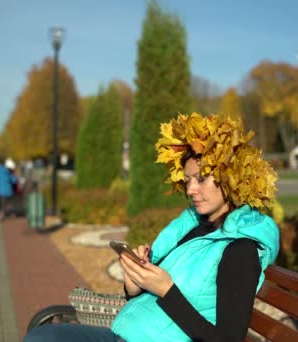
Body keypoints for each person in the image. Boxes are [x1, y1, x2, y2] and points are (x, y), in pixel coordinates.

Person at [24, 113, 280, 342]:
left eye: (201, 179)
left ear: (231, 181)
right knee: (43, 336)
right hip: (122, 332)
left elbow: (227, 339)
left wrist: (166, 291)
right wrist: (134, 286)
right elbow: (155, 305)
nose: (191, 189)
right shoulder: (195, 228)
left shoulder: (240, 251)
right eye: (188, 180)